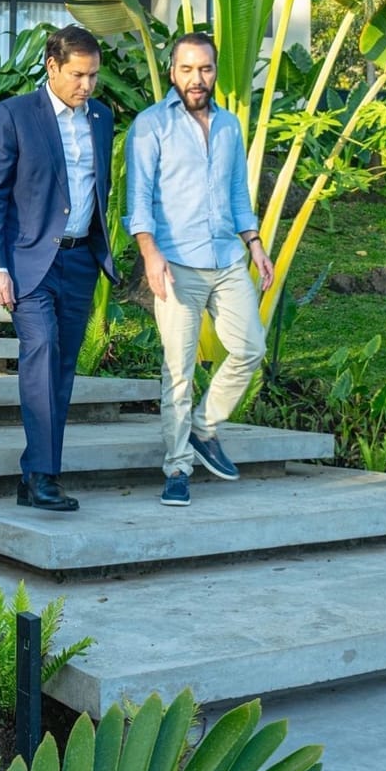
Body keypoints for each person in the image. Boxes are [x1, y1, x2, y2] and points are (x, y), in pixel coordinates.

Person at [125, 32, 275, 508]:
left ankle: (204, 429)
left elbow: (236, 194)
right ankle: (176, 468)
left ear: (215, 72)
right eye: (187, 69)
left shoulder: (230, 126)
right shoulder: (150, 127)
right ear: (173, 72)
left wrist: (254, 243)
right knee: (178, 371)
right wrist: (149, 254)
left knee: (250, 346)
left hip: (227, 259)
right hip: (175, 263)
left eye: (205, 69)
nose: (197, 78)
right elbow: (139, 201)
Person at [0, 25, 118, 512]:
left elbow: (101, 188)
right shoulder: (12, 115)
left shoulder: (101, 118)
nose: (87, 86)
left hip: (80, 261)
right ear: (52, 67)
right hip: (29, 263)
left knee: (61, 367)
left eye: (94, 76)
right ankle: (43, 477)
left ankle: (34, 472)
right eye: (78, 75)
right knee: (42, 350)